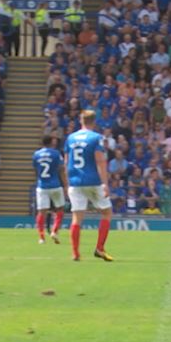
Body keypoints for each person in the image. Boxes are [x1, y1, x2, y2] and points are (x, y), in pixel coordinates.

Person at [62, 110, 114, 261]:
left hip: (75, 182)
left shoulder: (70, 138)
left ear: (81, 120)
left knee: (76, 218)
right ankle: (99, 248)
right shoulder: (96, 138)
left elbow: (66, 162)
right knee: (106, 213)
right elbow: (100, 161)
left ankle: (75, 253)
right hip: (93, 181)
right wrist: (105, 184)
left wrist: (67, 183)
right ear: (94, 121)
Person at [32, 136, 67, 244]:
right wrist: (66, 185)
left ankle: (41, 238)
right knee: (60, 209)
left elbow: (35, 169)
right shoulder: (56, 153)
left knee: (41, 212)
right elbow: (62, 169)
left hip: (42, 186)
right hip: (55, 185)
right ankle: (54, 231)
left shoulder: (36, 154)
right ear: (52, 142)